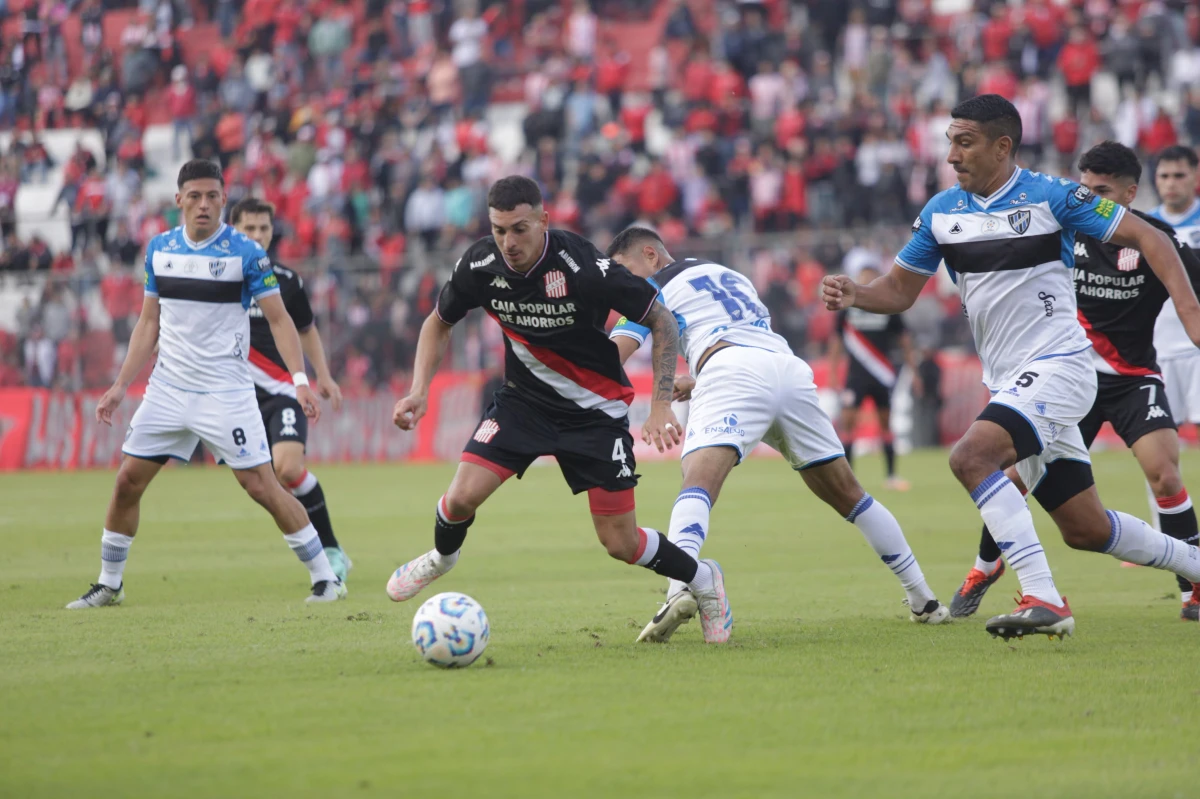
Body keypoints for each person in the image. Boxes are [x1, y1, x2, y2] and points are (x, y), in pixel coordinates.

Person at [821, 95, 1200, 640]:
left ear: (1002, 146)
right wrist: (856, 292)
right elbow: (899, 292)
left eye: (964, 141)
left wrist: (1190, 316)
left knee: (972, 456)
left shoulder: (1053, 197)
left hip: (1062, 367)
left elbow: (1152, 237)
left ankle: (1044, 597)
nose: (951, 154)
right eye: (949, 140)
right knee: (1086, 528)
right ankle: (1193, 564)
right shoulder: (941, 212)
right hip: (1012, 381)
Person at [386, 177, 733, 643]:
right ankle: (442, 557)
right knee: (461, 497)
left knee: (620, 543)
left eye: (519, 229)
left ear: (544, 221)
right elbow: (439, 321)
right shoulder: (480, 263)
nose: (508, 242)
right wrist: (419, 390)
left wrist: (661, 402)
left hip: (595, 413)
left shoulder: (583, 265)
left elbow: (661, 319)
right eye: (499, 229)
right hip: (523, 406)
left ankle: (704, 580)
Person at [605, 227, 950, 643]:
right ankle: (924, 599)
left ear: (650, 255)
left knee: (698, 482)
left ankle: (680, 587)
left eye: (624, 269)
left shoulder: (650, 289)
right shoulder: (731, 274)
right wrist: (696, 380)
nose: (621, 282)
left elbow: (611, 355)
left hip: (732, 372)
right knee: (852, 495)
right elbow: (748, 339)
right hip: (787, 370)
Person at [66, 159, 346, 608]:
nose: (203, 204)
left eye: (212, 196)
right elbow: (148, 322)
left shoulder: (246, 253)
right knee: (126, 483)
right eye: (194, 196)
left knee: (263, 487)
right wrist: (120, 385)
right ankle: (109, 583)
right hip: (168, 389)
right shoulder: (159, 249)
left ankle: (326, 577)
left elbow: (280, 320)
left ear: (223, 201)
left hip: (225, 393)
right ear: (178, 199)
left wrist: (300, 381)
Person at [949, 141, 1200, 622]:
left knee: (1164, 472)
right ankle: (985, 567)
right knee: (1009, 472)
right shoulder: (1061, 225)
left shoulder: (1155, 237)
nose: (1088, 199)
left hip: (1131, 376)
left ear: (1129, 194)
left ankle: (1192, 588)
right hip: (1066, 372)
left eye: (1101, 191)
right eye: (1084, 188)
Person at [229, 197, 351, 583]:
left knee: (289, 469)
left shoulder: (286, 280)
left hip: (282, 390)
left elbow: (306, 329)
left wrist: (324, 377)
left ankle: (331, 551)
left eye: (264, 228)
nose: (258, 235)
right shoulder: (217, 280)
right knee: (262, 482)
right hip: (232, 395)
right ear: (234, 231)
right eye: (249, 228)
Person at [825, 265, 917, 490]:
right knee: (847, 425)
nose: (866, 279)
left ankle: (892, 476)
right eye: (863, 276)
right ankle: (848, 480)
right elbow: (836, 341)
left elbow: (904, 340)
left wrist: (913, 370)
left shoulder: (886, 307)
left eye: (870, 276)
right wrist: (833, 373)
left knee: (886, 425)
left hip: (881, 375)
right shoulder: (847, 309)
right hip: (855, 377)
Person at [1149, 146, 1200, 442]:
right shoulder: (1144, 224)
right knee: (1159, 442)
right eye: (1164, 176)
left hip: (1196, 348)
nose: (1171, 183)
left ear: (1194, 175)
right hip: (1157, 350)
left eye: (1179, 175)